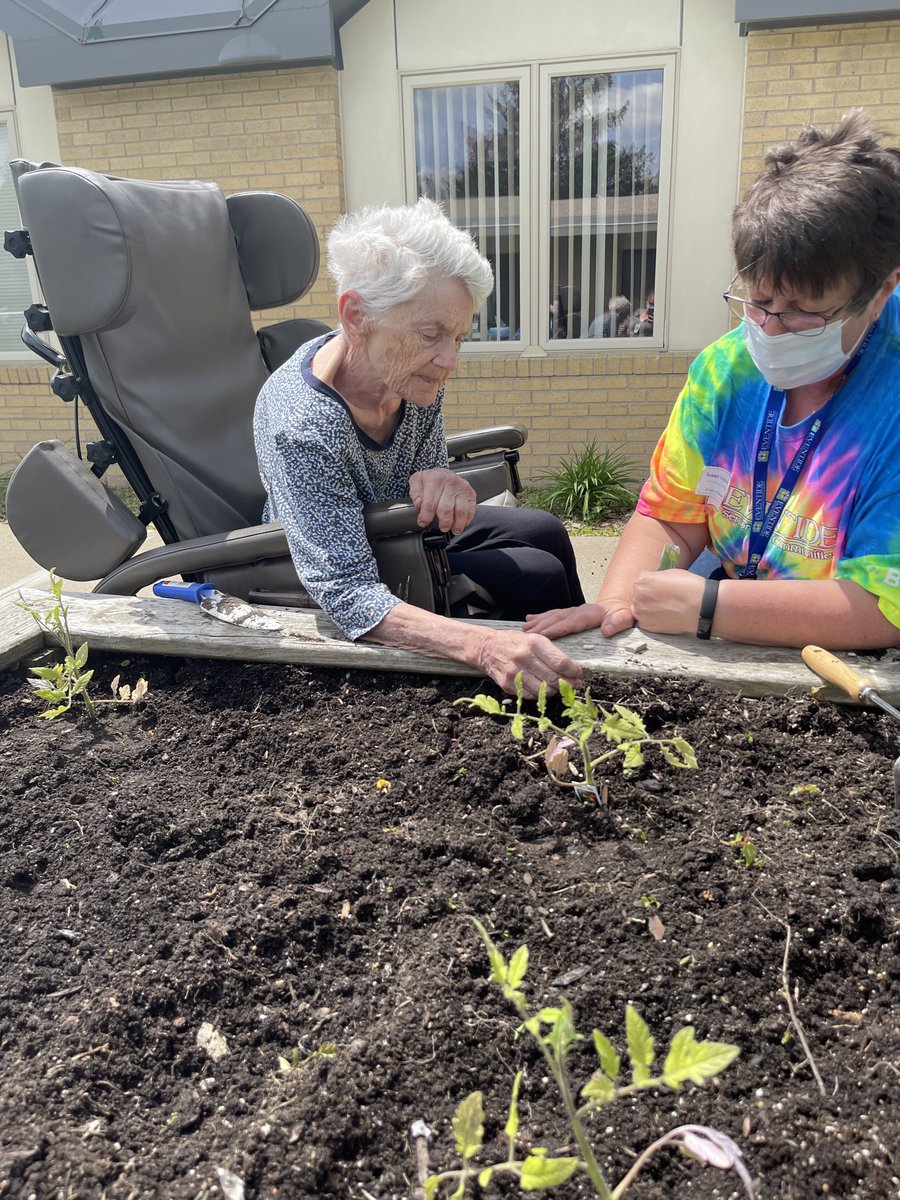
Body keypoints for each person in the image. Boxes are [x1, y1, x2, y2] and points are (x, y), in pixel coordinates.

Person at [525, 110, 900, 652]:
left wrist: (707, 606)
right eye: (760, 300)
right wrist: (617, 605)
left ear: (882, 291)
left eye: (802, 311)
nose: (769, 328)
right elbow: (671, 519)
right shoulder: (725, 372)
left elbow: (882, 608)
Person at [255, 198, 585, 696]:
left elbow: (425, 463)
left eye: (458, 337)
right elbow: (346, 594)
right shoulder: (302, 425)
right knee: (536, 574)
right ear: (356, 315)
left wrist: (439, 478)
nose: (449, 359)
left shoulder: (407, 368)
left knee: (546, 530)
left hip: (400, 526)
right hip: (333, 557)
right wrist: (482, 646)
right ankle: (549, 695)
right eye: (432, 334)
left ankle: (589, 659)